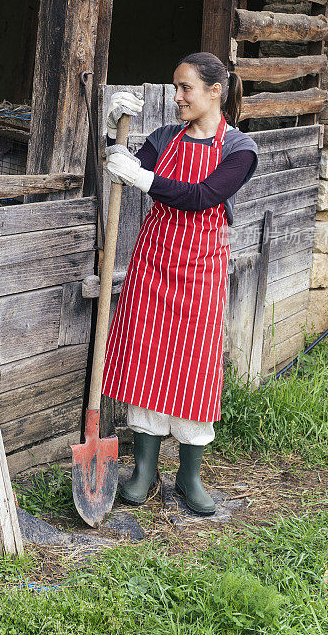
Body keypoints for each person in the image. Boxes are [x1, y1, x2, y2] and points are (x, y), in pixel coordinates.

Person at [101, 51, 259, 515]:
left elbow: (202, 196)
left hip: (201, 270)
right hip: (153, 264)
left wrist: (143, 177)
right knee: (146, 361)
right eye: (174, 87)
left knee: (195, 369)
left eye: (185, 88)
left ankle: (189, 478)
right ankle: (144, 473)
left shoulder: (239, 150)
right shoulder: (165, 137)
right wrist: (115, 131)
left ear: (215, 92)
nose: (177, 98)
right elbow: (123, 166)